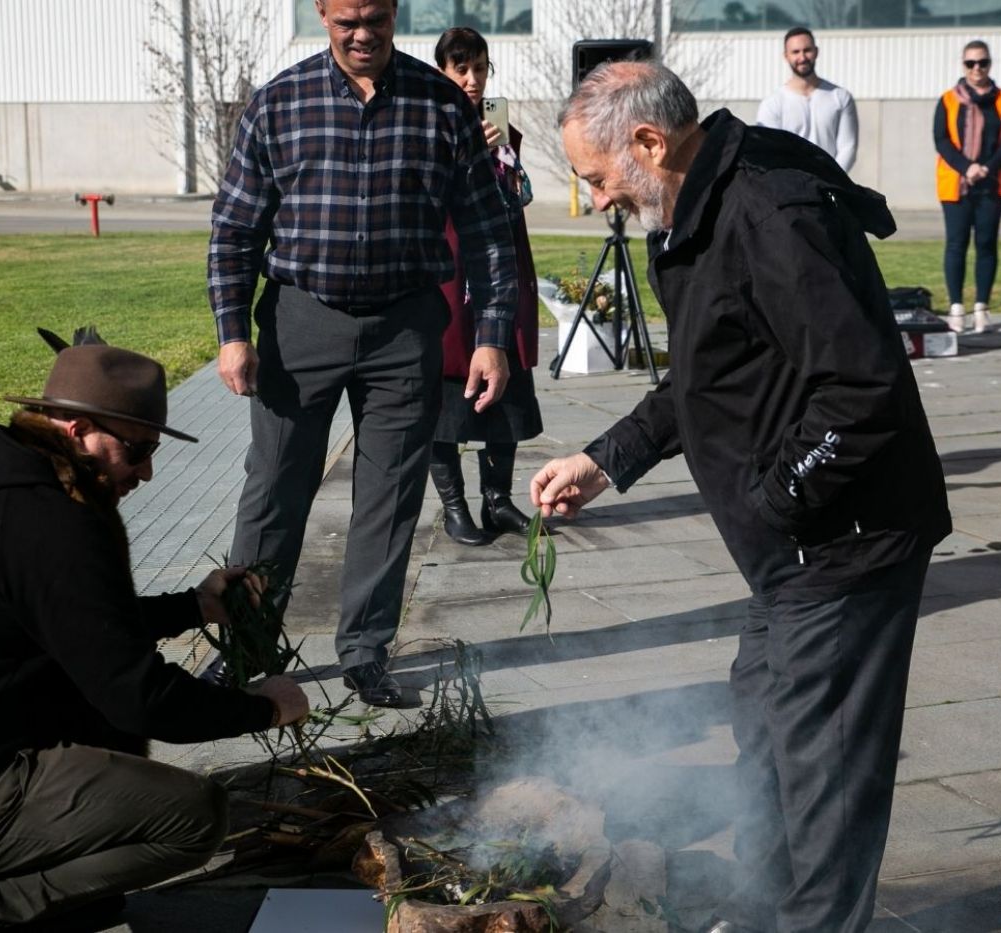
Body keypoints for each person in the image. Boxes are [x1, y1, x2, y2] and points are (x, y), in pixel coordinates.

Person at [536, 60, 950, 933]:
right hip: (792, 550)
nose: (599, 199)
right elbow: (702, 377)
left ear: (649, 142)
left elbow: (864, 390)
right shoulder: (695, 206)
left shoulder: (765, 208)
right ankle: (762, 911)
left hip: (843, 540)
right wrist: (605, 459)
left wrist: (774, 501)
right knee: (765, 736)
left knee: (824, 773)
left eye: (599, 178)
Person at [0, 333, 311, 932]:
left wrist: (195, 607)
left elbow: (79, 624)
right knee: (193, 818)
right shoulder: (52, 524)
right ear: (75, 429)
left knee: (106, 732)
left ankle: (49, 880)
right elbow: (144, 698)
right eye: (138, 449)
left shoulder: (7, 480)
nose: (146, 471)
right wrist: (263, 709)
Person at [207, 0, 517, 708]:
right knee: (274, 489)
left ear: (395, 12)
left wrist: (493, 336)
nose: (362, 33)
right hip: (300, 322)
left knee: (391, 493)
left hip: (405, 329)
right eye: (347, 19)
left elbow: (488, 232)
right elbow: (233, 230)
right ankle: (247, 649)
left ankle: (366, 651)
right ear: (321, 12)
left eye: (375, 17)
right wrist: (232, 334)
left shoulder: (442, 105)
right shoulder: (278, 104)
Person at [429, 27, 543, 547]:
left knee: (507, 381)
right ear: (442, 73)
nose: (473, 80)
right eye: (461, 69)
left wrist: (502, 157)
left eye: (480, 68)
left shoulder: (502, 131)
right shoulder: (429, 127)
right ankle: (454, 506)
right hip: (452, 277)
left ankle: (497, 499)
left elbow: (521, 197)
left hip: (501, 274)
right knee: (446, 386)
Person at [934, 40, 1001, 334]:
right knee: (956, 244)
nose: (977, 69)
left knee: (986, 245)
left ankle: (982, 308)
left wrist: (987, 167)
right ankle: (956, 307)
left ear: (990, 64)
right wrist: (966, 167)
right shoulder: (948, 100)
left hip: (990, 182)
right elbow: (942, 140)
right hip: (957, 184)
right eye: (970, 63)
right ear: (963, 66)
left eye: (982, 62)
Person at [755, 26, 859, 172]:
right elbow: (770, 153)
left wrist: (832, 180)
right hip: (791, 188)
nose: (802, 57)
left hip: (831, 185)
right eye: (795, 52)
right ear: (786, 56)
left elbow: (848, 148)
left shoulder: (840, 97)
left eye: (807, 50)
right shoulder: (771, 104)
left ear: (816, 52)